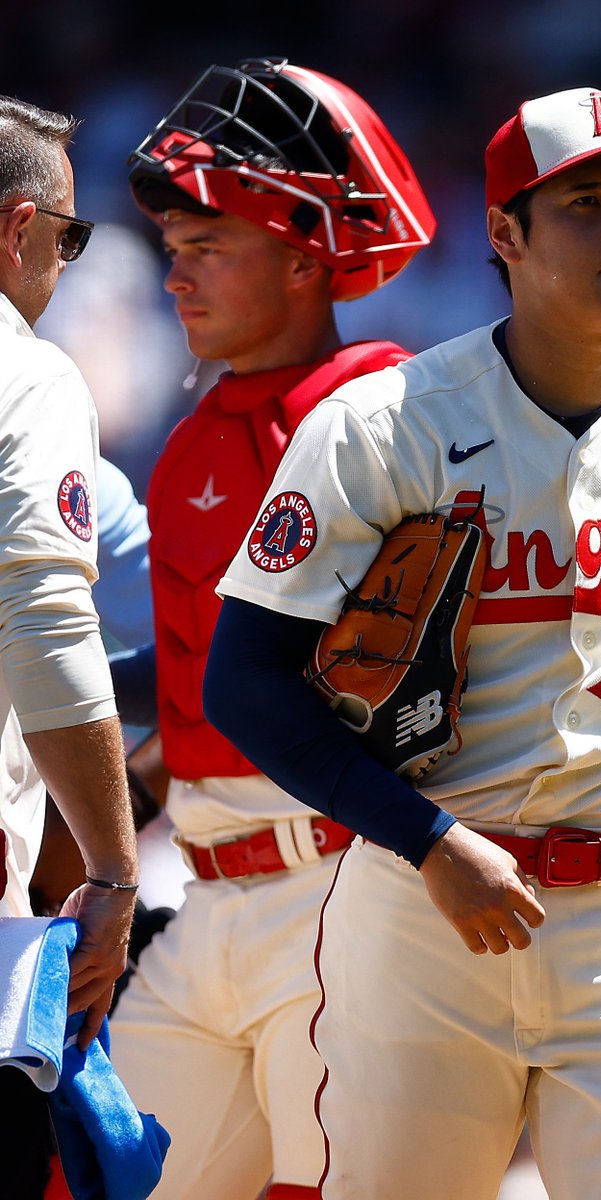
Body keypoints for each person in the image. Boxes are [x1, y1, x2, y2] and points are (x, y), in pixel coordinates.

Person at [205, 86, 601, 1199]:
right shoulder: (389, 426)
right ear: (505, 233)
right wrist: (427, 839)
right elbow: (243, 682)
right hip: (428, 915)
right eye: (583, 204)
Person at [104, 57, 435, 1200]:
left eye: (209, 249)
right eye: (172, 252)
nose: (175, 280)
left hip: (347, 886)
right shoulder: (200, 428)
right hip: (208, 895)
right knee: (103, 1180)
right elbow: (200, 674)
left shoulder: (389, 416)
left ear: (306, 259)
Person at [0, 94, 140, 1195]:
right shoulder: (26, 371)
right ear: (17, 229)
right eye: (69, 236)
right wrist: (112, 870)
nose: (67, 261)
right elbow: (45, 629)